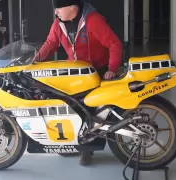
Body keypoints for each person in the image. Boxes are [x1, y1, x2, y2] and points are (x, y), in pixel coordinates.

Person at [35, 0, 123, 166]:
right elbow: (50, 44)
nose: (56, 12)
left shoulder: (93, 20)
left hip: (97, 72)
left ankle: (86, 149)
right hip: (76, 74)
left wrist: (111, 69)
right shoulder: (58, 24)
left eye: (59, 8)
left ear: (72, 7)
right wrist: (35, 61)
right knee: (62, 102)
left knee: (87, 110)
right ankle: (70, 140)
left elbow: (114, 44)